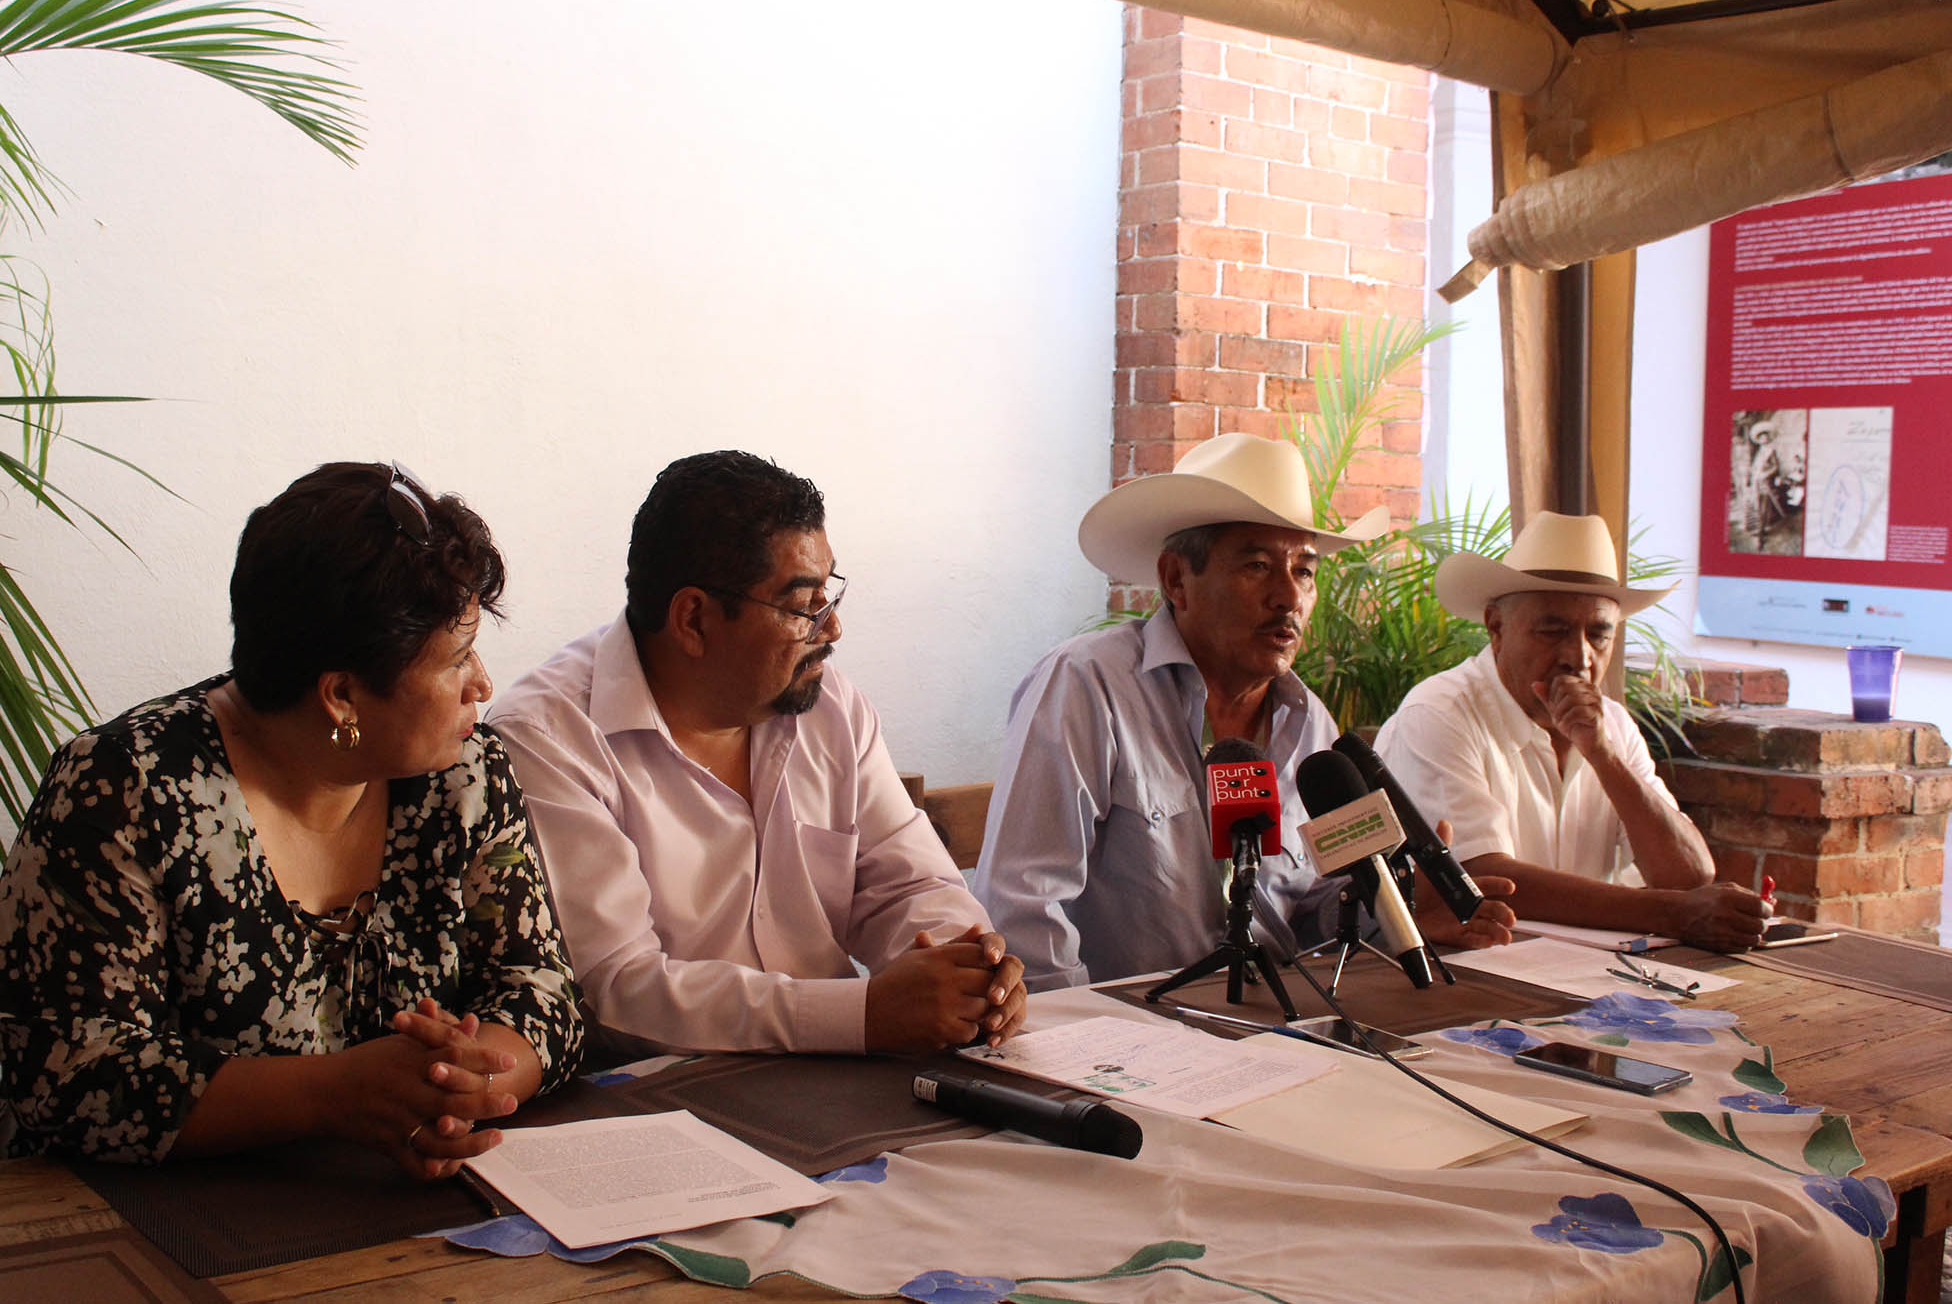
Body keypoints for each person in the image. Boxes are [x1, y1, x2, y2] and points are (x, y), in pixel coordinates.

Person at [0, 463, 584, 1174]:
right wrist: (335, 1094)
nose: (482, 683)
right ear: (342, 695)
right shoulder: (126, 788)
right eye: (456, 659)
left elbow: (541, 986)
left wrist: (470, 1081)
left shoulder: (465, 774)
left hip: (371, 1212)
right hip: (120, 1225)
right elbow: (74, 1075)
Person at [489, 451, 1024, 1056]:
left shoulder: (829, 708)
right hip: (653, 1101)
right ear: (693, 619)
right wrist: (860, 1014)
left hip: (836, 1078)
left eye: (831, 594)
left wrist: (970, 967)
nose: (833, 629)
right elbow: (613, 986)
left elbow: (906, 886)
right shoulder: (548, 737)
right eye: (803, 605)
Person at [974, 433, 1516, 991]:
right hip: (1126, 1032)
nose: (1288, 596)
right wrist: (1085, 1037)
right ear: (1176, 580)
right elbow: (1023, 905)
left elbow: (1309, 913)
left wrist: (1395, 910)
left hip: (1275, 1025)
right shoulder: (1089, 686)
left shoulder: (1310, 725)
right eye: (1258, 565)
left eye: (1304, 571)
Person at [1375, 510, 1770, 952]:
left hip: (1590, 977)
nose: (1578, 657)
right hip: (1475, 978)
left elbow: (1688, 876)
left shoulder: (1612, 725)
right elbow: (1483, 878)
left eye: (1598, 634)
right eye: (1552, 629)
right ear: (1496, 628)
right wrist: (1673, 914)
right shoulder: (1440, 712)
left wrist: (1601, 753)